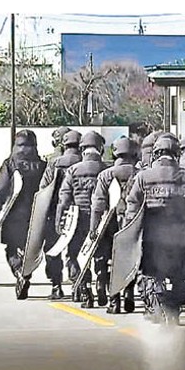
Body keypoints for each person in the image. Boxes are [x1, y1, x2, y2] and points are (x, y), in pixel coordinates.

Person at [125, 134, 185, 324]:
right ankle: (174, 311)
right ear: (175, 154)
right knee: (179, 275)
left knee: (151, 274)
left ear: (155, 154)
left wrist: (129, 230)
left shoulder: (143, 177)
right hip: (180, 236)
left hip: (152, 237)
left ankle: (156, 307)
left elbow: (132, 205)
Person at [0, 130, 46, 300]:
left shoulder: (10, 164)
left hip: (13, 215)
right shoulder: (42, 165)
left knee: (12, 248)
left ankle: (19, 271)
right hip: (37, 214)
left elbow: (0, 188)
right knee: (32, 248)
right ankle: (26, 272)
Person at [56, 131, 108, 308]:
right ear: (101, 148)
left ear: (82, 149)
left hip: (78, 220)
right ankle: (102, 284)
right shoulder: (107, 171)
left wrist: (59, 222)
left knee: (74, 255)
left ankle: (84, 289)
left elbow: (64, 200)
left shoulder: (73, 171)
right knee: (101, 255)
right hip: (102, 221)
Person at [90, 137, 140, 314]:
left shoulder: (106, 175)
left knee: (108, 260)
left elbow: (98, 205)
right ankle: (129, 293)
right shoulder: (140, 173)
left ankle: (114, 300)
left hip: (109, 226)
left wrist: (93, 228)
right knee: (131, 259)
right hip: (133, 224)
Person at [39, 130, 82, 300]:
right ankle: (78, 286)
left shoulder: (54, 163)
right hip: (79, 214)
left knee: (53, 250)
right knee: (76, 252)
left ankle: (56, 286)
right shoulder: (83, 162)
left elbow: (44, 189)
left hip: (56, 213)